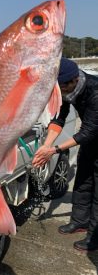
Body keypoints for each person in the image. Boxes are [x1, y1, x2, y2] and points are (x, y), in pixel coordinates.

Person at [33, 57, 98, 251]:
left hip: (93, 134)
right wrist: (46, 146)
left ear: (74, 81)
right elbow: (59, 118)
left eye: (60, 87)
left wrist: (55, 150)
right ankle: (80, 221)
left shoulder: (95, 92)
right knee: (83, 182)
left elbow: (88, 131)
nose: (58, 92)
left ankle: (95, 236)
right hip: (90, 142)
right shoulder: (66, 91)